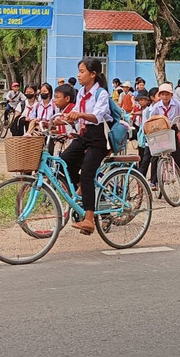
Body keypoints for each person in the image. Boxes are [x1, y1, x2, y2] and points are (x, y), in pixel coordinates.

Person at [61, 57, 113, 235]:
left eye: (82, 71)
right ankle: (81, 187)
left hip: (99, 138)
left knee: (88, 172)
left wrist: (80, 114)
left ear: (93, 74)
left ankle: (89, 219)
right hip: (83, 134)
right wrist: (69, 118)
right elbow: (77, 114)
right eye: (79, 71)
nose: (79, 75)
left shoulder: (102, 94)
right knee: (62, 162)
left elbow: (98, 116)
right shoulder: (81, 92)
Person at [148, 82, 180, 200]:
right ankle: (154, 181)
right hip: (160, 132)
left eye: (167, 94)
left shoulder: (176, 103)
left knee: (178, 159)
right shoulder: (156, 106)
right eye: (162, 94)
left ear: (171, 95)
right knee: (155, 156)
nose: (165, 96)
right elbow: (151, 119)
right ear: (159, 95)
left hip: (172, 130)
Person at [134, 88, 153, 178]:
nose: (140, 102)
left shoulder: (149, 110)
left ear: (147, 100)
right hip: (142, 136)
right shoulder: (140, 110)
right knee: (141, 160)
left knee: (145, 161)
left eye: (142, 100)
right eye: (139, 100)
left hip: (148, 136)